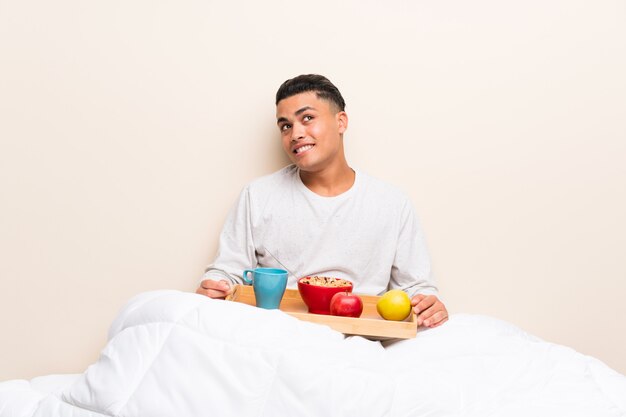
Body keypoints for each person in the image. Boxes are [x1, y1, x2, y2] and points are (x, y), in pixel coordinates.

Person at [196, 74, 448, 328]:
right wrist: (215, 285)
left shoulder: (392, 203)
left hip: (360, 335)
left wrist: (429, 304)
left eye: (307, 118)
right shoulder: (258, 195)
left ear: (341, 122)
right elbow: (227, 273)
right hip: (277, 331)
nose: (295, 134)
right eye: (285, 126)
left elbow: (417, 288)